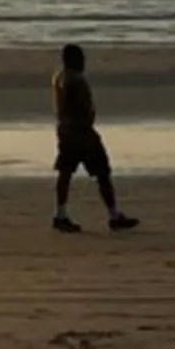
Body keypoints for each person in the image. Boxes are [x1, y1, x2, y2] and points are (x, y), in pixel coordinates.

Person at [51, 42, 139, 234]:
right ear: (72, 60)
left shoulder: (60, 77)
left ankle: (61, 214)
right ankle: (113, 215)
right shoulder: (74, 79)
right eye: (80, 59)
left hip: (66, 131)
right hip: (81, 132)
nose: (84, 62)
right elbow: (80, 104)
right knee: (102, 173)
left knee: (65, 173)